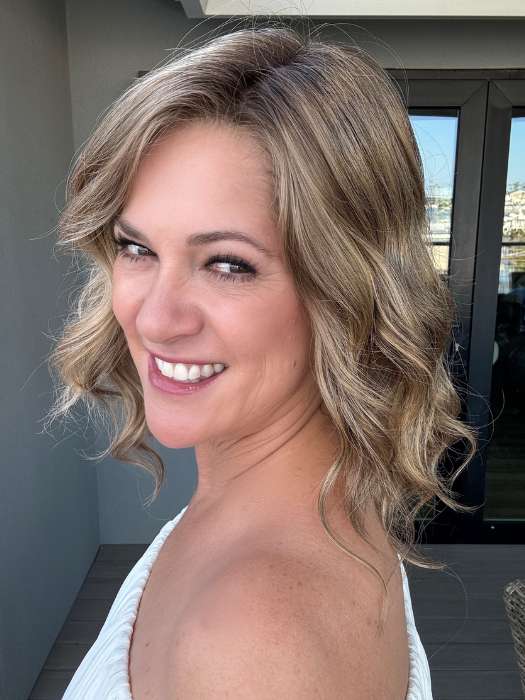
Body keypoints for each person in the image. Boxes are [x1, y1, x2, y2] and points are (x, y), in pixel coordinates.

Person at [47, 20, 478, 699]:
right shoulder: (321, 503)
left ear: (345, 291)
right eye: (137, 248)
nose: (154, 319)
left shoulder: (251, 643)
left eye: (227, 264)